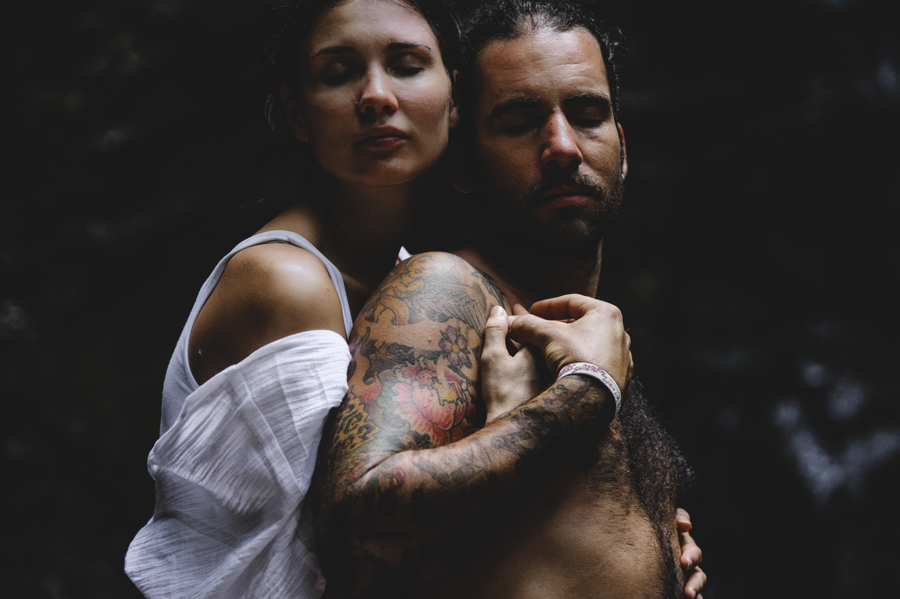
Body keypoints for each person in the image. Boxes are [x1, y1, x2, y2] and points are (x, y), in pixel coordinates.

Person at [314, 1, 707, 598]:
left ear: (622, 148)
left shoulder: (593, 335)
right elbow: (355, 527)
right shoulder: (446, 293)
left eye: (588, 115)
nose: (563, 146)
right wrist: (584, 393)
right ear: (464, 162)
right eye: (520, 122)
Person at [124, 1, 462, 597]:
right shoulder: (286, 283)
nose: (376, 96)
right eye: (339, 73)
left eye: (407, 66)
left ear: (455, 101)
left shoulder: (408, 273)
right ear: (297, 114)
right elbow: (360, 545)